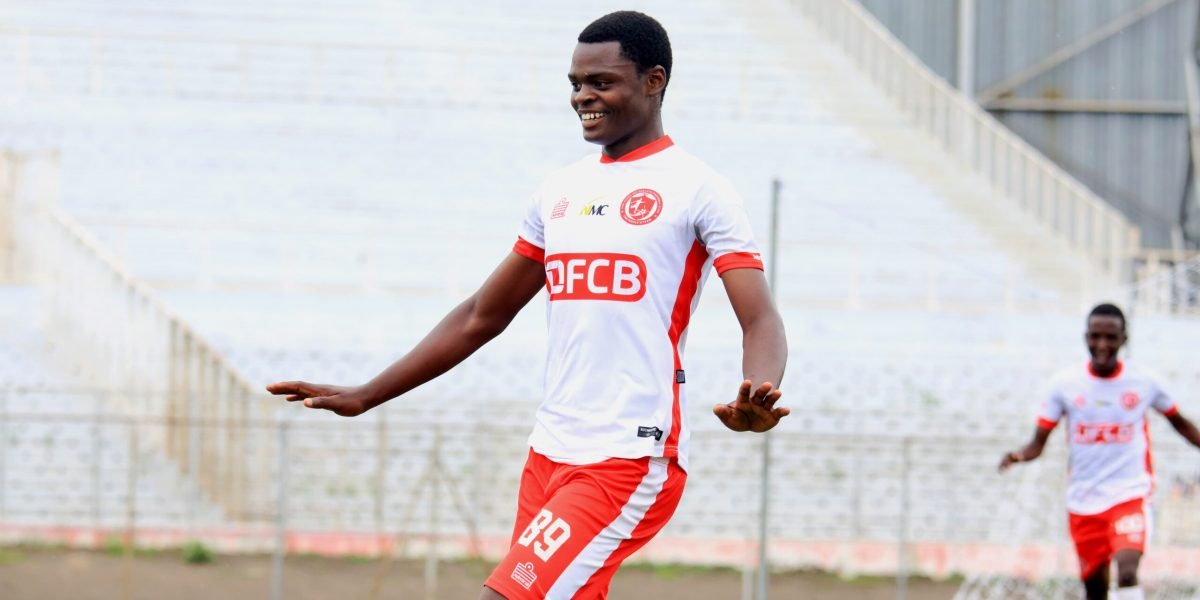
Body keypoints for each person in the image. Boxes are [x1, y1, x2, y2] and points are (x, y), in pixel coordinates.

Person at [267, 11, 788, 599]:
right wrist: (368, 393)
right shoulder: (559, 192)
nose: (584, 96)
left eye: (602, 82)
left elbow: (760, 316)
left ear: (654, 80)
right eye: (575, 83)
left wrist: (760, 387)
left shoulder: (699, 189)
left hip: (628, 456)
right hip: (549, 452)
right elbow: (480, 316)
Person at [999, 303, 1200, 600]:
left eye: (1110, 337)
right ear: (1086, 337)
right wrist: (1018, 455)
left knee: (1128, 569)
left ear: (1124, 339)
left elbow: (1180, 424)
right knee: (1095, 590)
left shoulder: (1144, 383)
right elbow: (1037, 443)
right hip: (1084, 500)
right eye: (1095, 337)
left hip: (1129, 493)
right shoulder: (1065, 385)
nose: (1102, 345)